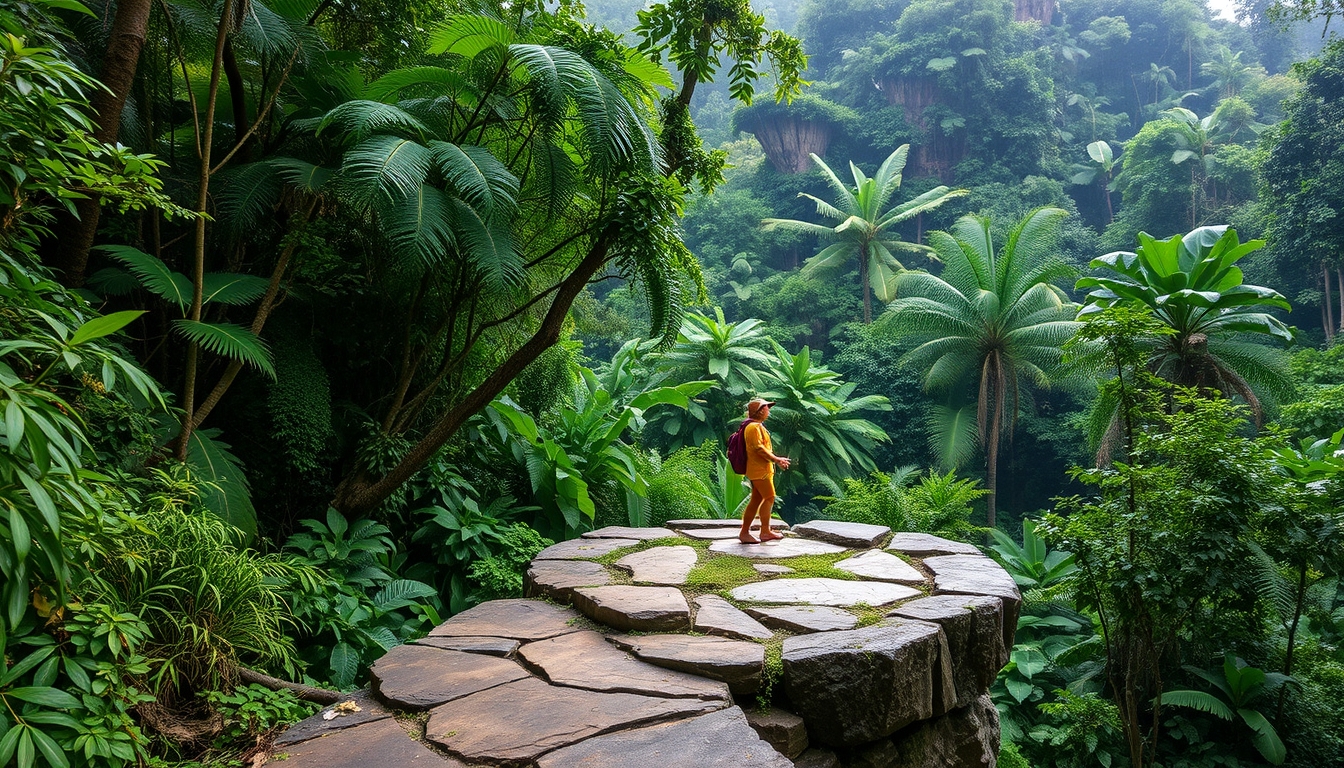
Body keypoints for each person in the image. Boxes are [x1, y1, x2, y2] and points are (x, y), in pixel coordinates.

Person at [740, 398, 790, 544]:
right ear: (760, 410)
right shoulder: (754, 427)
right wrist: (777, 459)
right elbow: (759, 448)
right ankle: (765, 531)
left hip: (759, 470)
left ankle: (745, 532)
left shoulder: (754, 426)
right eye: (767, 408)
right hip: (760, 471)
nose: (769, 410)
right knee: (769, 497)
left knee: (756, 501)